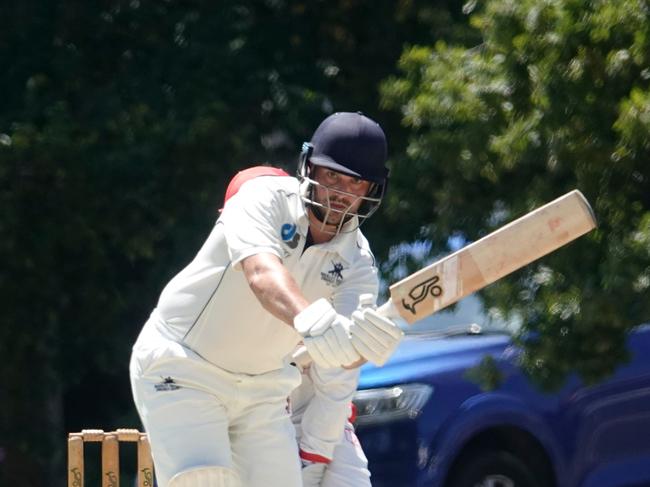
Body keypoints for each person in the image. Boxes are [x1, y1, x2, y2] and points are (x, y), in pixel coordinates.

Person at [129, 112, 404, 487]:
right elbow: (261, 272)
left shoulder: (358, 261)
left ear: (371, 189)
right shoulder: (263, 198)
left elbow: (340, 350)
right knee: (205, 481)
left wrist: (367, 344)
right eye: (332, 176)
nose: (340, 192)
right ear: (309, 168)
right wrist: (308, 318)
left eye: (355, 183)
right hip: (182, 368)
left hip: (264, 392)